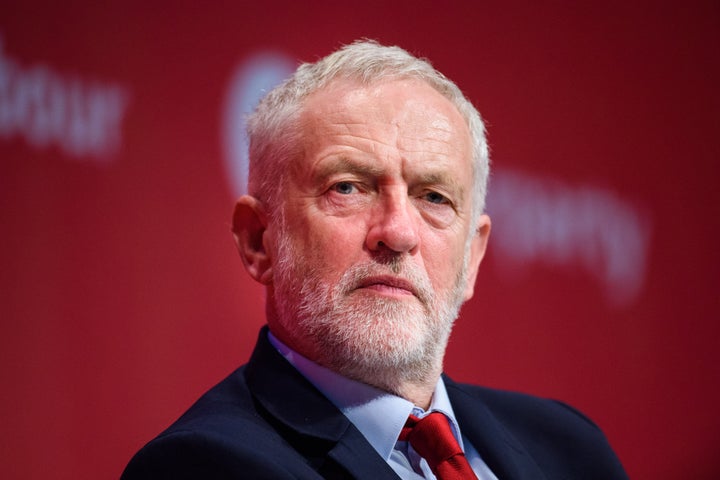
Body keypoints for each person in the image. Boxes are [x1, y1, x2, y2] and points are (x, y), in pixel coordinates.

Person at [121, 40, 628, 479]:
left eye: (433, 197)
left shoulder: (570, 449)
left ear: (472, 257)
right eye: (348, 187)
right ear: (258, 241)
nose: (398, 232)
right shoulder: (205, 465)